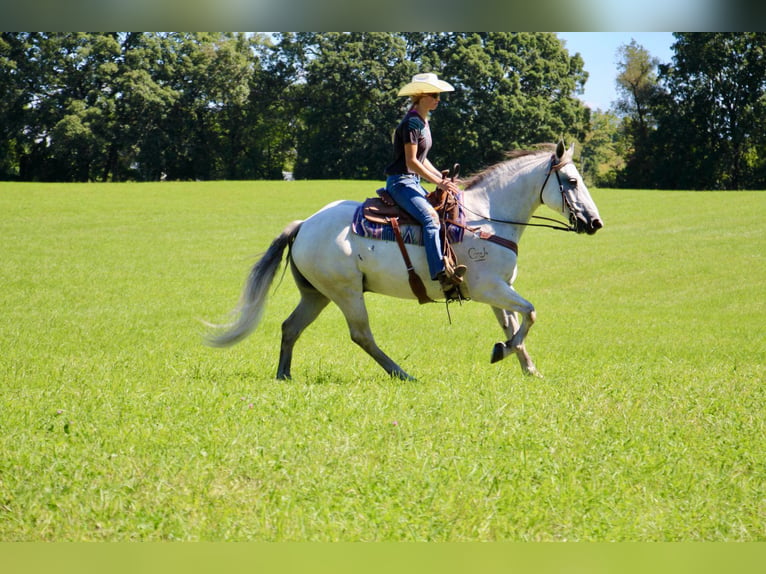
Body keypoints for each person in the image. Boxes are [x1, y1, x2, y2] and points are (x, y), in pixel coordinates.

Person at [384, 72, 466, 293]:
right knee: (431, 220)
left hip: (413, 181)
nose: (438, 99)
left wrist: (441, 178)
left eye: (439, 94)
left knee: (442, 211)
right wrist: (439, 183)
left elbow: (423, 158)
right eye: (433, 94)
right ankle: (441, 274)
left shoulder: (423, 121)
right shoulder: (412, 123)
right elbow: (411, 162)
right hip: (401, 182)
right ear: (420, 96)